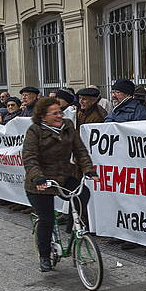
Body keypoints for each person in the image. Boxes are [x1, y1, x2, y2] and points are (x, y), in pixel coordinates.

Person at [22, 97, 98, 272]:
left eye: (60, 112)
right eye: (54, 113)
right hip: (41, 181)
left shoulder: (68, 126)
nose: (59, 115)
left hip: (64, 176)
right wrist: (38, 178)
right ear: (43, 116)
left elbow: (80, 151)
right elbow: (29, 158)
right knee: (47, 219)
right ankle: (44, 256)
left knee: (83, 194)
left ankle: (75, 226)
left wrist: (89, 170)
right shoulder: (35, 131)